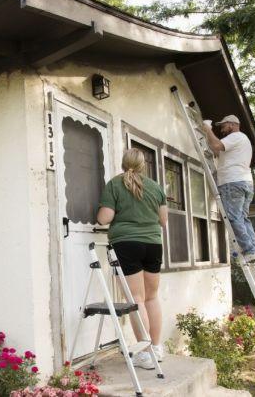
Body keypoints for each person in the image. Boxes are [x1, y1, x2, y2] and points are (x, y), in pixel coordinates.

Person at [97, 148, 168, 370]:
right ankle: (156, 348)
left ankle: (145, 355)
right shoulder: (156, 187)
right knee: (152, 297)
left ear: (123, 163)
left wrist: (100, 213)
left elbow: (104, 218)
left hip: (127, 244)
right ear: (143, 165)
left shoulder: (115, 184)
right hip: (153, 244)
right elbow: (163, 221)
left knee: (136, 298)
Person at [201, 114, 255, 263]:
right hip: (245, 182)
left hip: (233, 182)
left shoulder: (236, 136)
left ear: (232, 124)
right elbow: (217, 151)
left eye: (224, 125)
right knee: (243, 219)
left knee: (234, 218)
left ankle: (249, 250)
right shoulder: (242, 140)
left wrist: (207, 129)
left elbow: (216, 146)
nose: (222, 129)